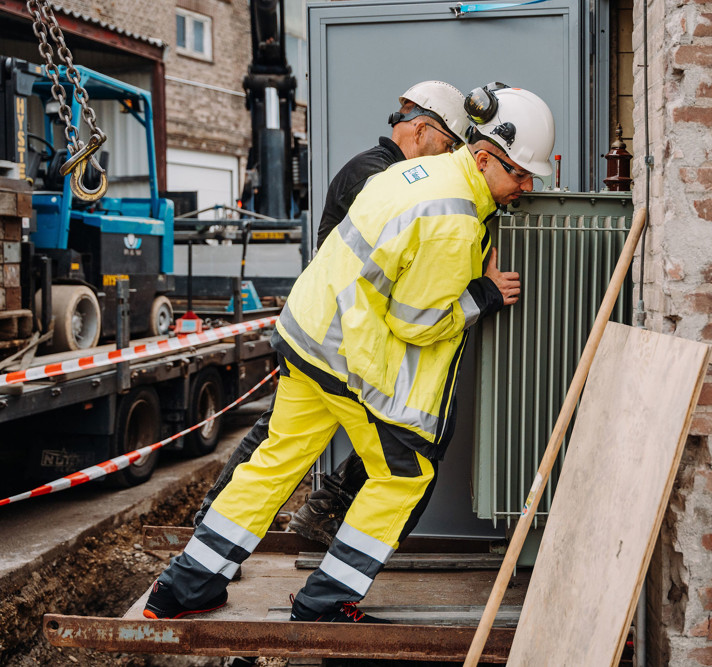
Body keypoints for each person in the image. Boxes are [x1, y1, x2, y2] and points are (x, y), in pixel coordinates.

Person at [144, 84, 555, 624]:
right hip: (346, 357)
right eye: (518, 175)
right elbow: (419, 321)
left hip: (308, 336)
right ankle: (326, 601)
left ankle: (183, 589)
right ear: (482, 158)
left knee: (274, 462)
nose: (523, 188)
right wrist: (482, 295)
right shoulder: (454, 219)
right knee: (403, 478)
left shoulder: (418, 176)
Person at [193, 81, 470, 544]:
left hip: (356, 332)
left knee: (406, 421)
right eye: (447, 145)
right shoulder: (376, 175)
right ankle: (213, 523)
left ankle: (321, 509)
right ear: (421, 130)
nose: (448, 159)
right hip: (335, 333)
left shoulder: (389, 172)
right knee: (278, 441)